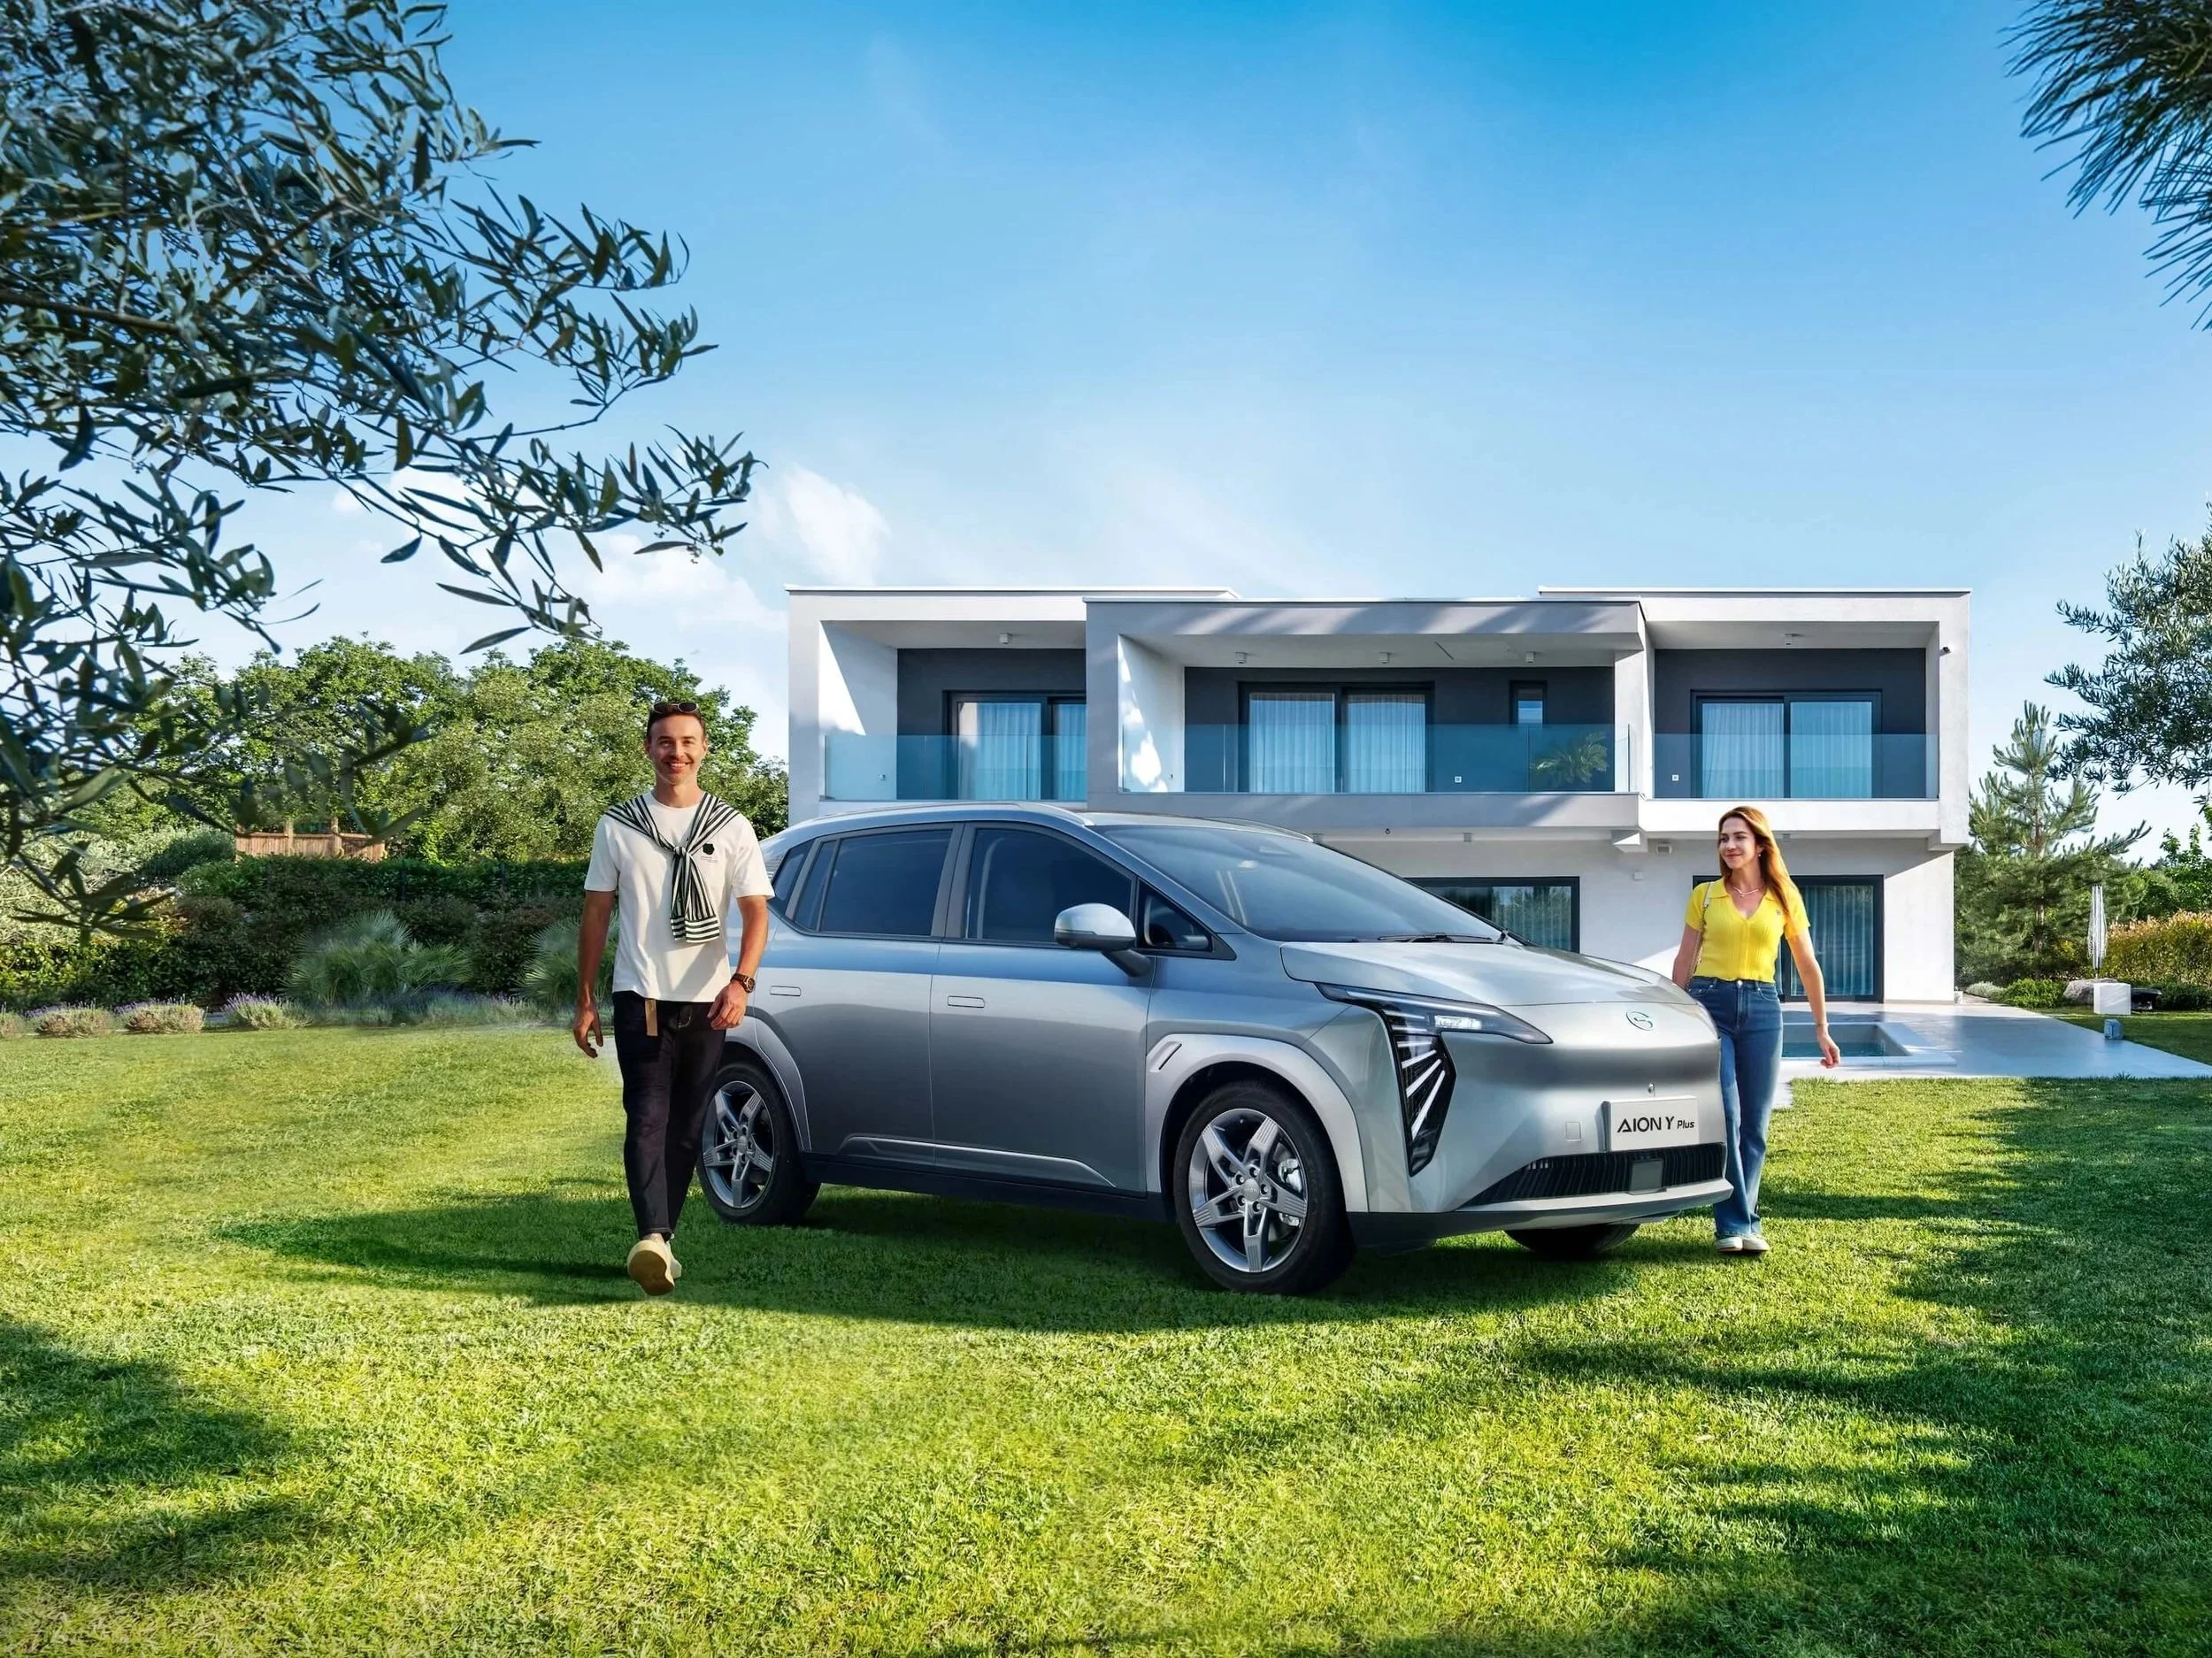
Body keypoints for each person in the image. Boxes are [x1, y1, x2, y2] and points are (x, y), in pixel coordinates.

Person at [573, 698, 772, 1295]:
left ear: (704, 749)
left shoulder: (731, 827)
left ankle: (663, 1241)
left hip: (709, 999)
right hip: (642, 995)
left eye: (687, 742)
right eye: (664, 742)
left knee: (689, 1126)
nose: (676, 753)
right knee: (647, 1115)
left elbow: (757, 911)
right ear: (648, 749)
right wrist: (584, 998)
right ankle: (652, 1234)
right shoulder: (620, 826)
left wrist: (741, 982)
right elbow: (596, 912)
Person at [1670, 804, 1840, 1256]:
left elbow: (1807, 964)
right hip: (1711, 1004)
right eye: (1723, 838)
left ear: (1760, 844)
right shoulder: (1705, 896)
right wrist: (1675, 1013)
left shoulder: (1784, 898)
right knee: (1728, 1116)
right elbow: (1684, 961)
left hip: (1764, 1008)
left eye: (1738, 837)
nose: (1729, 845)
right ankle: (1736, 1224)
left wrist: (1822, 1028)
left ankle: (1742, 1219)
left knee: (1757, 1125)